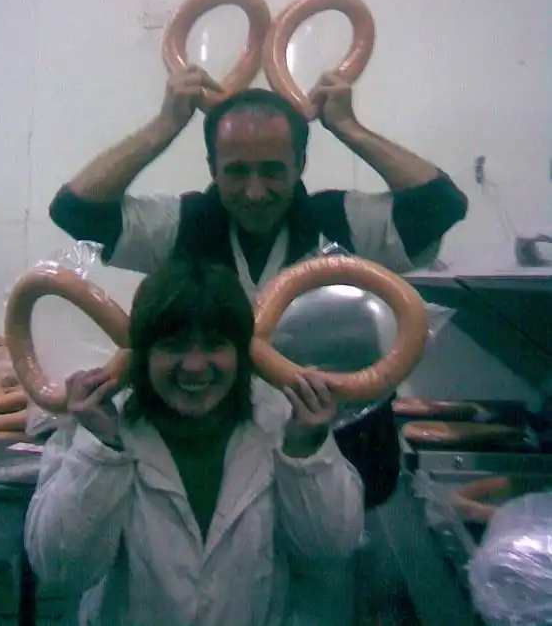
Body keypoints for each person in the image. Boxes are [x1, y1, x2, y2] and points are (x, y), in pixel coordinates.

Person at [47, 66, 469, 508]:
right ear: (212, 167)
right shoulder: (182, 225)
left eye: (272, 171)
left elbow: (440, 205)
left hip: (347, 463)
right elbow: (76, 210)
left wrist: (349, 128)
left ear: (300, 164)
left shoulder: (342, 222)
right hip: (218, 473)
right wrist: (165, 124)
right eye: (236, 171)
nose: (254, 192)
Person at [25, 259, 364, 626]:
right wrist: (101, 450)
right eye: (173, 346)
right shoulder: (99, 425)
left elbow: (331, 548)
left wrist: (305, 449)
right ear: (143, 354)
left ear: (242, 354)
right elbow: (60, 568)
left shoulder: (283, 421)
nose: (195, 365)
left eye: (215, 345)